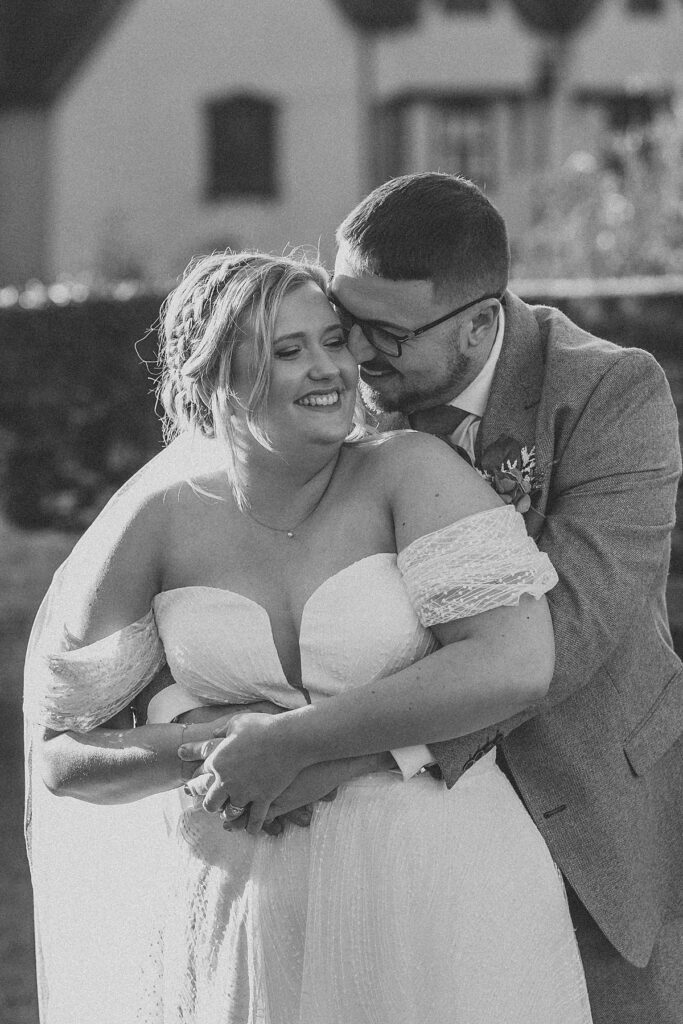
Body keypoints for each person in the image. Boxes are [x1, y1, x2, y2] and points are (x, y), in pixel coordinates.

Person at [24, 251, 593, 1024]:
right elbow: (63, 755)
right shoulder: (156, 522)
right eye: (289, 351)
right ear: (216, 379)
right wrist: (221, 741)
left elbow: (514, 663)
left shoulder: (407, 472)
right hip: (246, 907)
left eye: (333, 340)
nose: (330, 368)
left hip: (434, 876)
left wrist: (292, 742)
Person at [321, 172, 682, 1024]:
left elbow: (565, 629)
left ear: (481, 322)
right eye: (342, 317)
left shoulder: (609, 393)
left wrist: (356, 751)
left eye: (384, 333)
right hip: (390, 834)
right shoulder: (329, 392)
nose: (353, 353)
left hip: (590, 795)